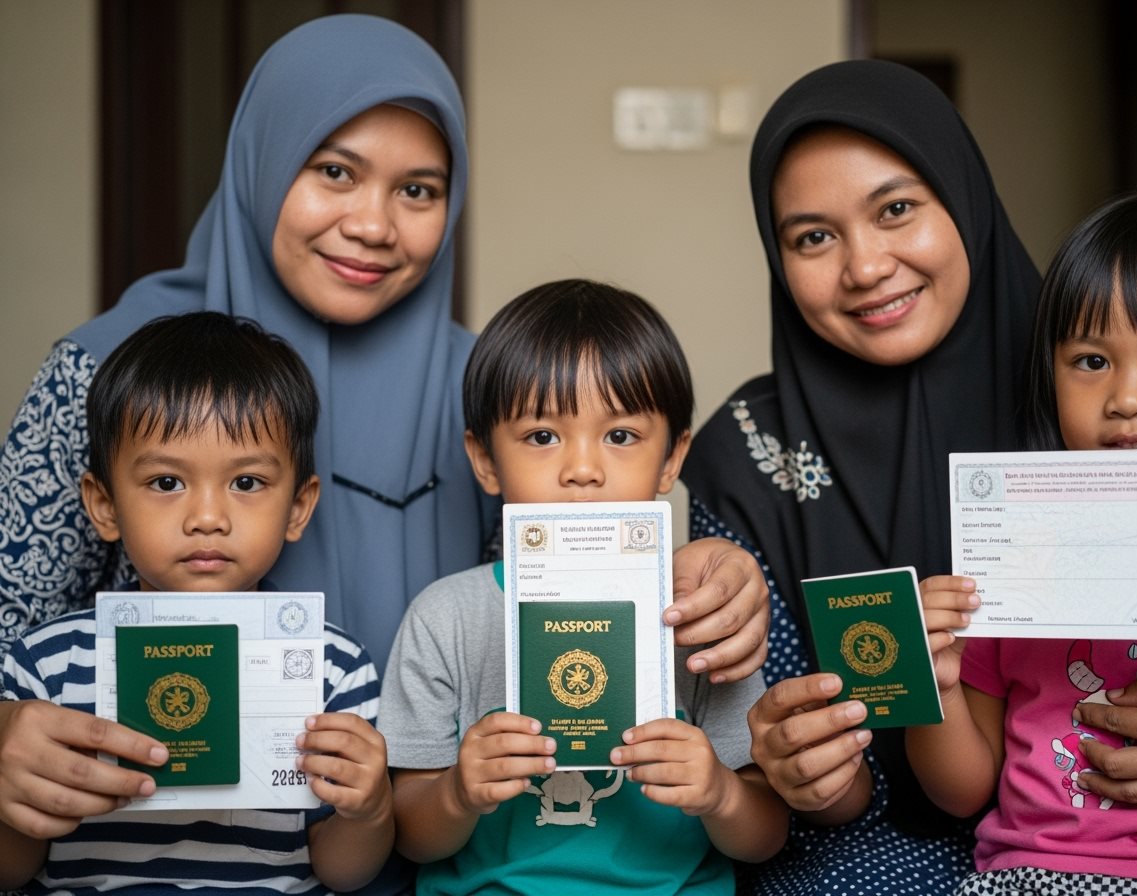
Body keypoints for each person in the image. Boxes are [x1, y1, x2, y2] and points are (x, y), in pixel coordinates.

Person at [0, 13, 768, 859]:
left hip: (425, 846)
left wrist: (706, 568)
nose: (373, 224)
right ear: (262, 161)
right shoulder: (106, 373)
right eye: (335, 172)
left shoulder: (491, 395)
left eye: (418, 190)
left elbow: (569, 574)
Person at [681, 60, 1137, 895]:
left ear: (962, 198)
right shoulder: (749, 450)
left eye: (896, 209)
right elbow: (761, 766)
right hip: (931, 851)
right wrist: (797, 770)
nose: (864, 267)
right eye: (813, 236)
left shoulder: (1091, 391)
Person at [910, 193, 1137, 894]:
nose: (1127, 397)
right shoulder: (1010, 557)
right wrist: (936, 687)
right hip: (1036, 876)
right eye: (1089, 361)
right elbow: (961, 791)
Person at [380, 279, 789, 895]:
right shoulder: (446, 618)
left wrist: (721, 793)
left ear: (672, 459)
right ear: (485, 458)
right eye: (542, 437)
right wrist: (458, 792)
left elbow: (765, 835)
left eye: (620, 436)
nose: (582, 470)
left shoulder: (699, 619)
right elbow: (409, 834)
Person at [0, 312, 393, 894]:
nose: (207, 518)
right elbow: (11, 870)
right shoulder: (45, 668)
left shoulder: (333, 667)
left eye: (246, 483)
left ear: (298, 507)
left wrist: (372, 809)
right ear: (104, 505)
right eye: (166, 483)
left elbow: (342, 874)